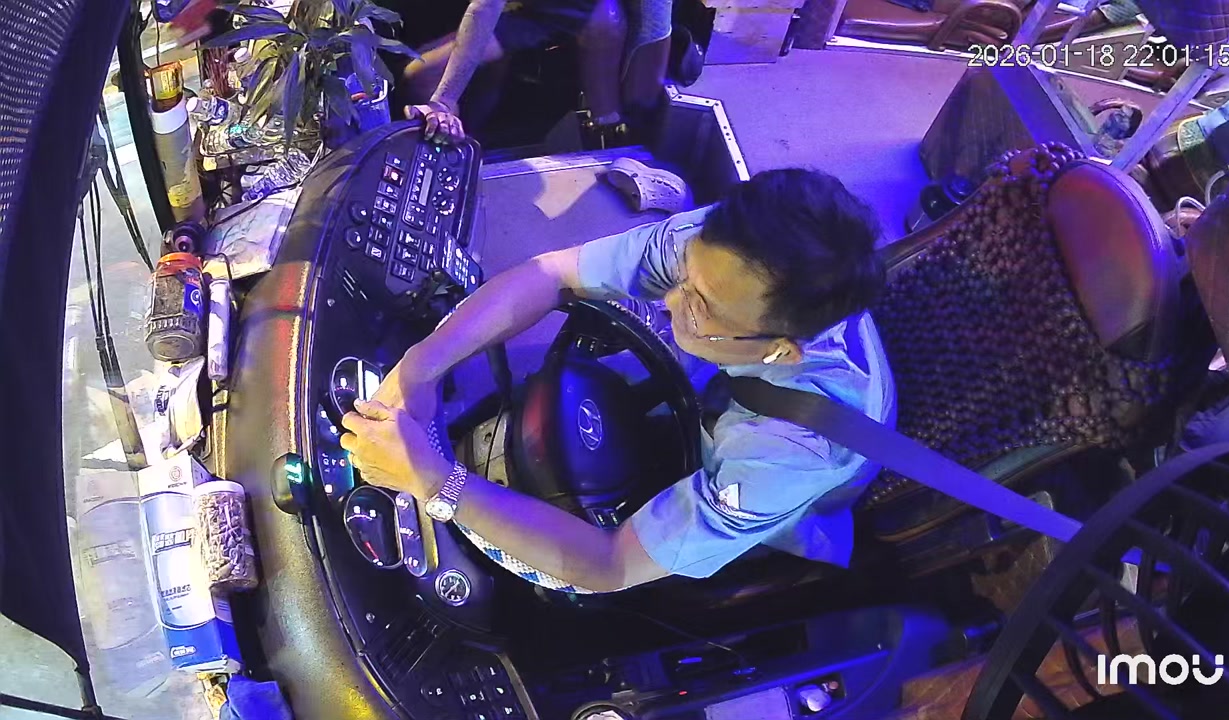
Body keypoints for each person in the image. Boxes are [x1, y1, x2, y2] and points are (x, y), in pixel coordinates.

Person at [340, 169, 896, 593]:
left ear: (780, 349)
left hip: (762, 501)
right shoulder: (729, 251)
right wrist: (422, 365)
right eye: (683, 275)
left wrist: (439, 484)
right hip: (716, 395)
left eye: (699, 306)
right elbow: (551, 274)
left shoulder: (794, 452)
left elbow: (610, 565)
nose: (668, 300)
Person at [397, 0, 630, 144]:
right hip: (515, 7)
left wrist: (443, 101)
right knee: (485, 65)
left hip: (561, 10)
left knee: (424, 76)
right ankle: (474, 141)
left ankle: (459, 161)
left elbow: (484, 9)